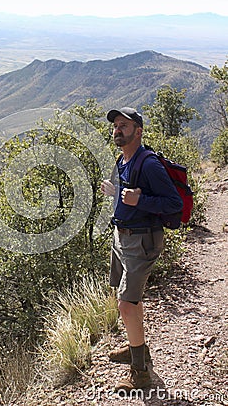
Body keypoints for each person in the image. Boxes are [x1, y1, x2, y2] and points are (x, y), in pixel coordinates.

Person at [101, 107, 183, 392]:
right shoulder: (123, 160)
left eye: (124, 125)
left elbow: (175, 205)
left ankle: (140, 373)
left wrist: (141, 201)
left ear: (139, 131)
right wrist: (116, 192)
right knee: (129, 300)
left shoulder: (148, 164)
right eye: (116, 126)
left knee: (126, 303)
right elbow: (127, 194)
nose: (118, 130)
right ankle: (138, 348)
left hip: (141, 240)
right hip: (122, 238)